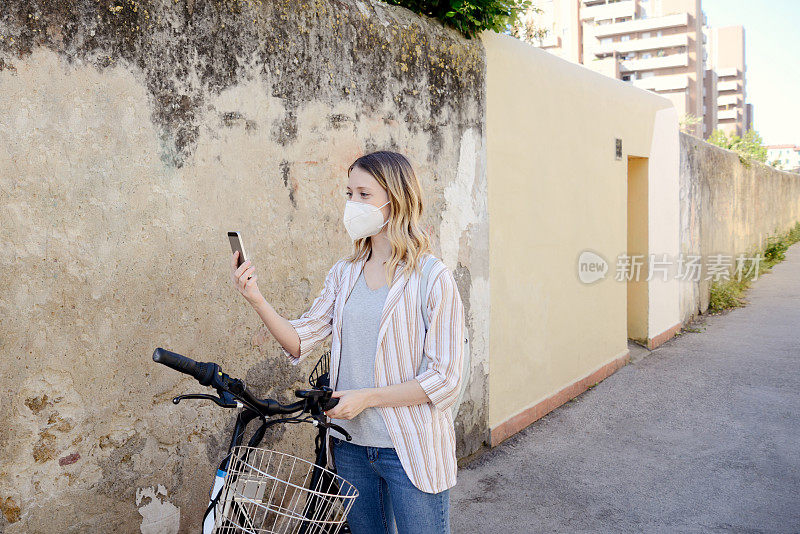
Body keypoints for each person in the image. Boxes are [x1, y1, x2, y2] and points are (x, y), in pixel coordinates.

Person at [230, 150, 466, 534]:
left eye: (363, 195)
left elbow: (445, 379)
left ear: (397, 199)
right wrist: (255, 297)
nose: (351, 204)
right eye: (349, 193)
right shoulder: (344, 274)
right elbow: (300, 339)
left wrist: (367, 397)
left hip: (410, 449)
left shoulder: (431, 278)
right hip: (352, 446)